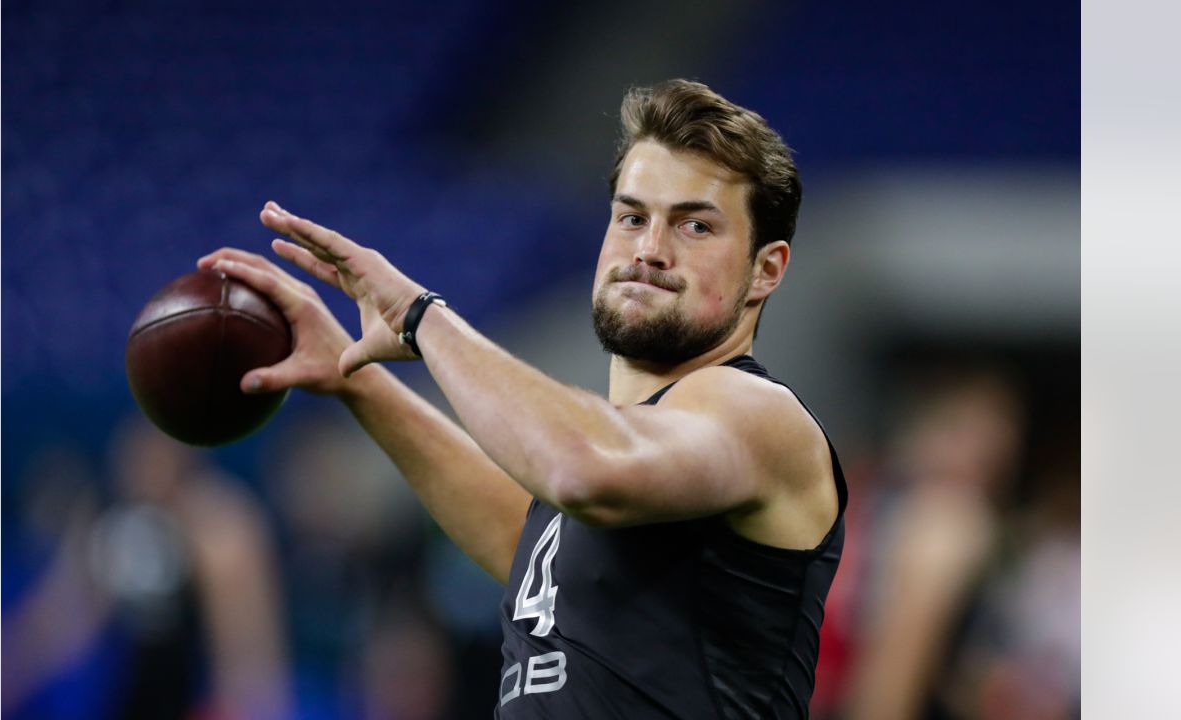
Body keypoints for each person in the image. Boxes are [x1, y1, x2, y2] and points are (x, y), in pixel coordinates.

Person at [199, 79, 845, 719]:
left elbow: (583, 467)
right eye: (632, 217)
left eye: (695, 226)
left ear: (767, 270)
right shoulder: (630, 456)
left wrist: (418, 315)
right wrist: (353, 380)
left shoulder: (757, 415)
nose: (648, 250)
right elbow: (532, 544)